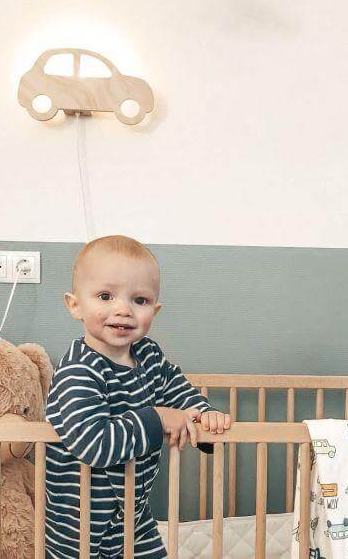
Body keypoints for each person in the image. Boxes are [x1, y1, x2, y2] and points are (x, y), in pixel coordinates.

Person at [45, 235, 231, 558]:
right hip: (78, 526)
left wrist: (203, 414)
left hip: (133, 516)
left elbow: (177, 390)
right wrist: (158, 418)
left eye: (140, 300)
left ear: (154, 310)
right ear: (75, 305)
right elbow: (95, 444)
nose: (123, 310)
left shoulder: (149, 356)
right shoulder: (78, 369)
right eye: (105, 296)